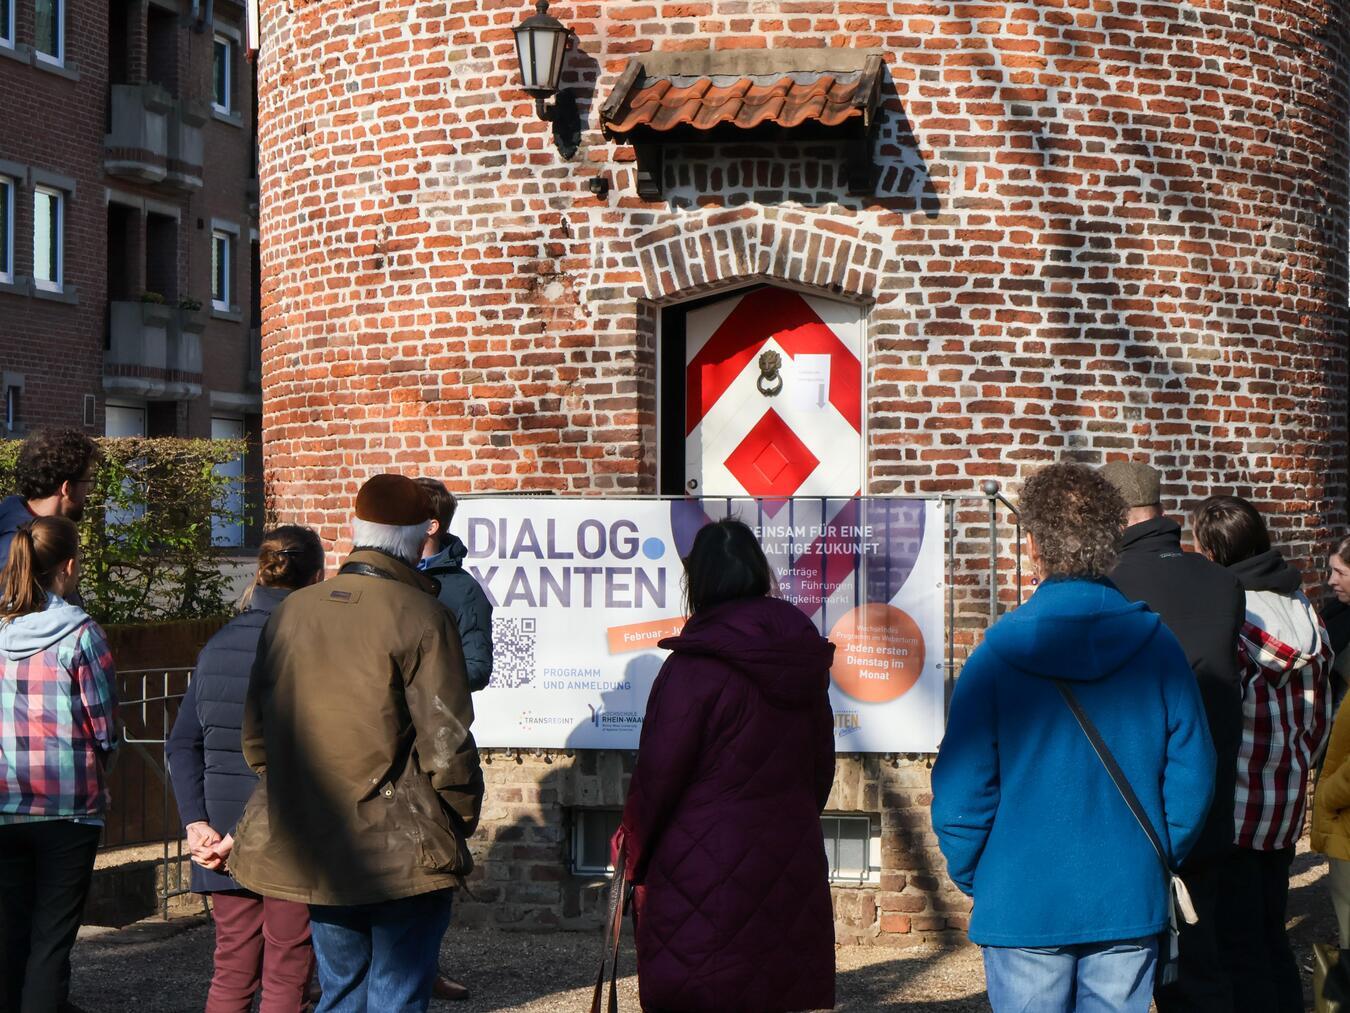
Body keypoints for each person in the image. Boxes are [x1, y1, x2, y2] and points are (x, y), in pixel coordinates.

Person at [932, 462, 1215, 1013]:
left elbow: (962, 794)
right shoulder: (1158, 647)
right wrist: (1153, 852)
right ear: (1111, 541)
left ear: (1033, 546)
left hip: (1022, 896)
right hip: (1127, 892)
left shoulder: (994, 657)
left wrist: (981, 874)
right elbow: (1194, 775)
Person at [230, 475, 483, 1013]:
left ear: (354, 530)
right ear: (420, 539)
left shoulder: (293, 611)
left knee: (340, 990)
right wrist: (456, 820)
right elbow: (447, 741)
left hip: (318, 836)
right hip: (403, 847)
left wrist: (289, 792)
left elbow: (257, 733)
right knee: (396, 994)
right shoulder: (423, 615)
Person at [613, 518, 836, 1013]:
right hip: (787, 849)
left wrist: (631, 852)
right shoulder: (801, 659)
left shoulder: (692, 668)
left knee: (704, 990)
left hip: (698, 860)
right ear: (758, 572)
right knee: (774, 991)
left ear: (699, 582)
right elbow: (821, 769)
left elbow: (657, 780)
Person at [1100, 460, 1246, 1012]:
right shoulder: (1222, 580)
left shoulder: (1110, 584)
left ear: (1115, 517)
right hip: (1208, 784)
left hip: (1129, 788)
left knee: (1123, 964)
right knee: (1203, 955)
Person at [166, 526, 326, 1013]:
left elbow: (182, 743)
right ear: (317, 577)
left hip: (217, 833)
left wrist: (198, 824)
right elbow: (307, 754)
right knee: (287, 969)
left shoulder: (216, 645)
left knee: (233, 967)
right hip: (287, 831)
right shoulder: (316, 649)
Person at [1193, 495, 1335, 1013]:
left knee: (1236, 944)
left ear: (1211, 552)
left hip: (1237, 801)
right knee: (1272, 933)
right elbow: (1319, 717)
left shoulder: (1232, 613)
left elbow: (1219, 710)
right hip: (1287, 796)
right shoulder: (1305, 608)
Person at [0, 517, 118, 1013]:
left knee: (9, 937)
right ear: (69, 566)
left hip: (4, 806)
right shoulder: (83, 634)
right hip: (70, 810)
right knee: (51, 942)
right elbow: (105, 728)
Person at [415, 477, 491, 1003]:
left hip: (434, 740)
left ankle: (422, 966)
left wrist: (429, 681)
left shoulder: (461, 590)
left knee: (434, 855)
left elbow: (480, 666)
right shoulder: (375, 577)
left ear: (432, 526)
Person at [0, 428, 99, 571]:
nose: (89, 491)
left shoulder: (42, 533)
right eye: (87, 482)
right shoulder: (17, 549)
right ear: (67, 488)